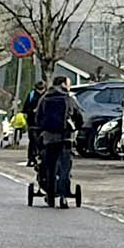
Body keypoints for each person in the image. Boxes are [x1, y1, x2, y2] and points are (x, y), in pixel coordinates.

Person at [28, 75, 77, 203]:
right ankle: (63, 195)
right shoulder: (69, 98)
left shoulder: (45, 98)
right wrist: (74, 127)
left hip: (48, 138)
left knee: (49, 165)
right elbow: (79, 117)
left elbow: (38, 117)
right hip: (66, 138)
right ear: (63, 84)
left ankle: (50, 193)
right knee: (65, 166)